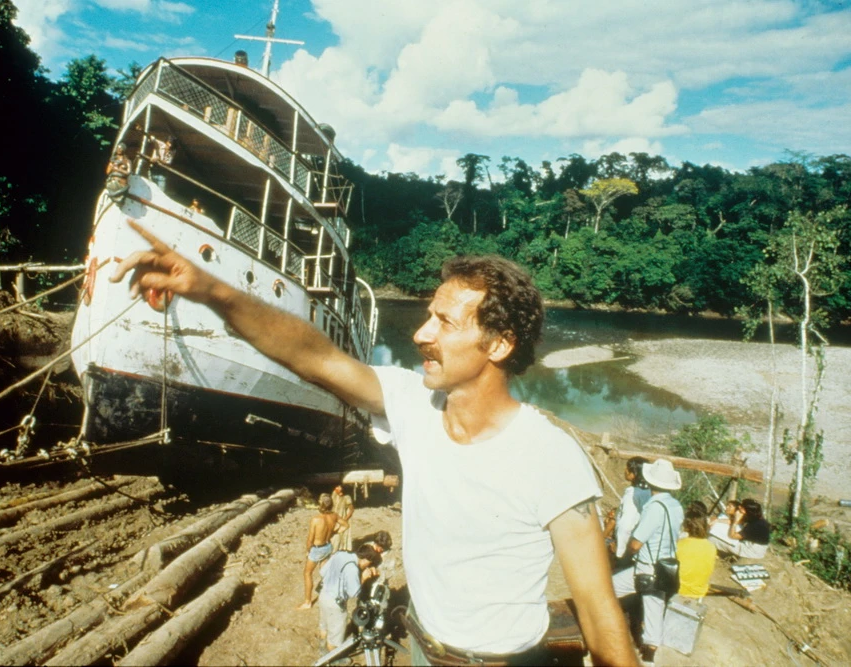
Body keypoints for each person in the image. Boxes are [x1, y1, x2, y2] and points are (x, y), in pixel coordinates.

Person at [110, 224, 639, 666]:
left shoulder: (549, 456)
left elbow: (597, 611)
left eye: (444, 322)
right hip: (419, 649)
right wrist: (212, 290)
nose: (421, 334)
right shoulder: (415, 405)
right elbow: (313, 356)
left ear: (498, 344)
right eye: (428, 315)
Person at [612, 458, 685, 665]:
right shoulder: (675, 505)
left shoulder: (654, 507)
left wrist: (624, 553)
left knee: (609, 590)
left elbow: (636, 543)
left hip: (647, 567)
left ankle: (611, 632)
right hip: (666, 564)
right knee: (654, 610)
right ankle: (649, 656)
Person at [318, 544, 382, 652]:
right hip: (335, 604)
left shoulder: (340, 554)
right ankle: (333, 658)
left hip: (323, 595)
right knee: (335, 637)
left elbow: (322, 572)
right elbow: (354, 593)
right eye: (368, 563)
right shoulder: (352, 568)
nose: (366, 566)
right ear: (365, 559)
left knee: (324, 625)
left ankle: (321, 646)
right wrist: (363, 578)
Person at [604, 456, 651, 562]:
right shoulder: (649, 493)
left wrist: (619, 550)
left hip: (626, 547)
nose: (625, 470)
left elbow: (625, 525)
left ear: (633, 474)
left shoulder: (632, 495)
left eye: (627, 468)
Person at [299, 493, 338, 610]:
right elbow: (345, 525)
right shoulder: (334, 516)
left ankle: (307, 602)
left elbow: (310, 539)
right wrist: (335, 532)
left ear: (320, 504)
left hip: (317, 549)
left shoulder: (316, 519)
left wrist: (308, 551)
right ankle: (330, 596)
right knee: (325, 572)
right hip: (328, 546)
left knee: (307, 573)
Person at [676, 507, 717, 599]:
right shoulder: (711, 546)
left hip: (679, 590)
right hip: (699, 591)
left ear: (686, 527)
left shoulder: (680, 544)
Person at [330, 484, 354, 553]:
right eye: (337, 487)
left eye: (340, 487)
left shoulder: (347, 497)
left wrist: (345, 519)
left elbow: (351, 509)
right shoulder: (333, 495)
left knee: (343, 535)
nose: (339, 488)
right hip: (335, 518)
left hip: (343, 518)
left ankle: (343, 550)